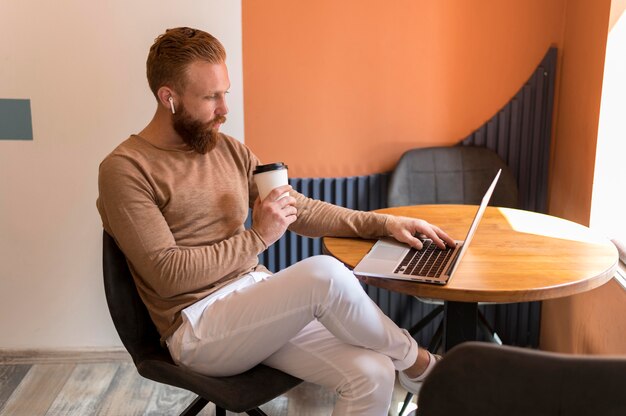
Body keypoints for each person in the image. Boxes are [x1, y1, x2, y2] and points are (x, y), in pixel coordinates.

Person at [97, 27, 455, 415]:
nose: (224, 110)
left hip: (257, 304)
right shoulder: (126, 169)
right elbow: (167, 273)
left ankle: (406, 365)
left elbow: (298, 208)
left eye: (225, 93)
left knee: (373, 372)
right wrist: (257, 238)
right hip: (198, 328)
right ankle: (421, 364)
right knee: (324, 274)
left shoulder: (228, 150)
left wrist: (382, 225)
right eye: (210, 97)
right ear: (169, 98)